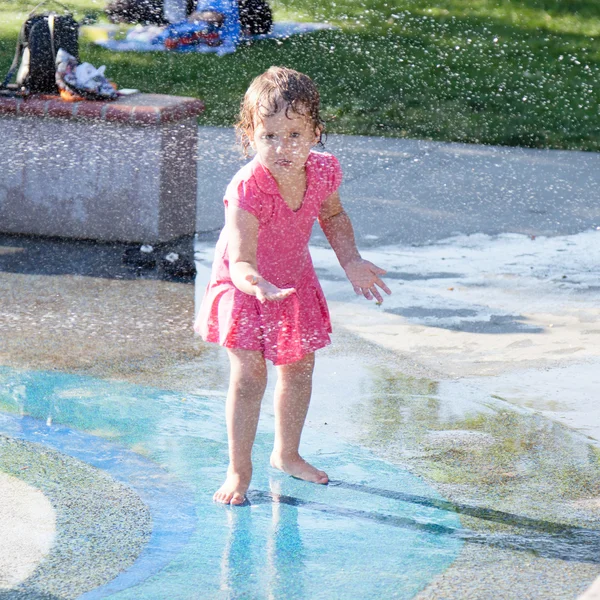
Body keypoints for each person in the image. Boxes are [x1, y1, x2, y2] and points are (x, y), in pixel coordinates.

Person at [195, 66, 391, 505]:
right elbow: (240, 259)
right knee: (249, 377)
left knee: (299, 369)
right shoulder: (247, 189)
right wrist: (255, 283)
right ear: (249, 136)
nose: (282, 147)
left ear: (316, 133)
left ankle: (286, 454)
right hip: (244, 284)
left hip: (293, 278)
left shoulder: (323, 172)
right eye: (269, 136)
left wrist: (352, 261)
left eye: (294, 135)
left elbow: (334, 217)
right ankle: (238, 470)